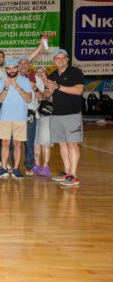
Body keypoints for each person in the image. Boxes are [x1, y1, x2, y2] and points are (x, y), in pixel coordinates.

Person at [43, 49, 85, 186]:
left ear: (67, 59)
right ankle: (66, 172)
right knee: (62, 144)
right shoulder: (52, 75)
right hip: (56, 115)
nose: (60, 60)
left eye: (63, 58)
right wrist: (49, 89)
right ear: (54, 60)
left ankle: (74, 175)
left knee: (72, 144)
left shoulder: (75, 72)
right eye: (57, 58)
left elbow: (79, 90)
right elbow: (47, 95)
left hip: (72, 114)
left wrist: (58, 86)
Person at [0, 59, 33, 180]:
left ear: (17, 68)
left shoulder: (25, 81)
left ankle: (16, 169)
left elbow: (29, 99)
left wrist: (17, 87)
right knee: (5, 143)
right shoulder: (1, 82)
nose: (11, 70)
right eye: (9, 68)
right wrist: (6, 88)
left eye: (14, 68)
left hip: (20, 117)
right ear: (6, 70)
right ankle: (3, 168)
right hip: (5, 117)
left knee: (18, 144)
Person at [33, 66, 52, 177]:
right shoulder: (32, 84)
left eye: (42, 72)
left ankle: (45, 165)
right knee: (35, 142)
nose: (40, 74)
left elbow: (46, 97)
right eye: (37, 72)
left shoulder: (49, 84)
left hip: (46, 115)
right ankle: (37, 165)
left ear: (46, 73)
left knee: (45, 142)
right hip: (34, 114)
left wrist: (44, 85)